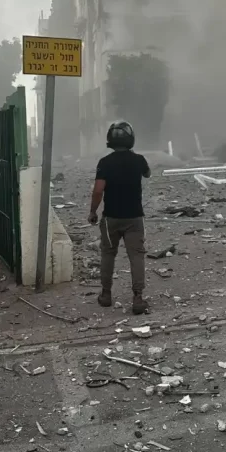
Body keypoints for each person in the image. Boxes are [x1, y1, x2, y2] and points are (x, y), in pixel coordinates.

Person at [88, 121, 151, 313]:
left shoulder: (104, 163)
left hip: (111, 219)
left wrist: (93, 211)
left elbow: (98, 190)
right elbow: (147, 174)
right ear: (131, 139)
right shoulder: (139, 160)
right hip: (134, 218)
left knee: (108, 254)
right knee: (137, 256)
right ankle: (138, 298)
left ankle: (106, 295)